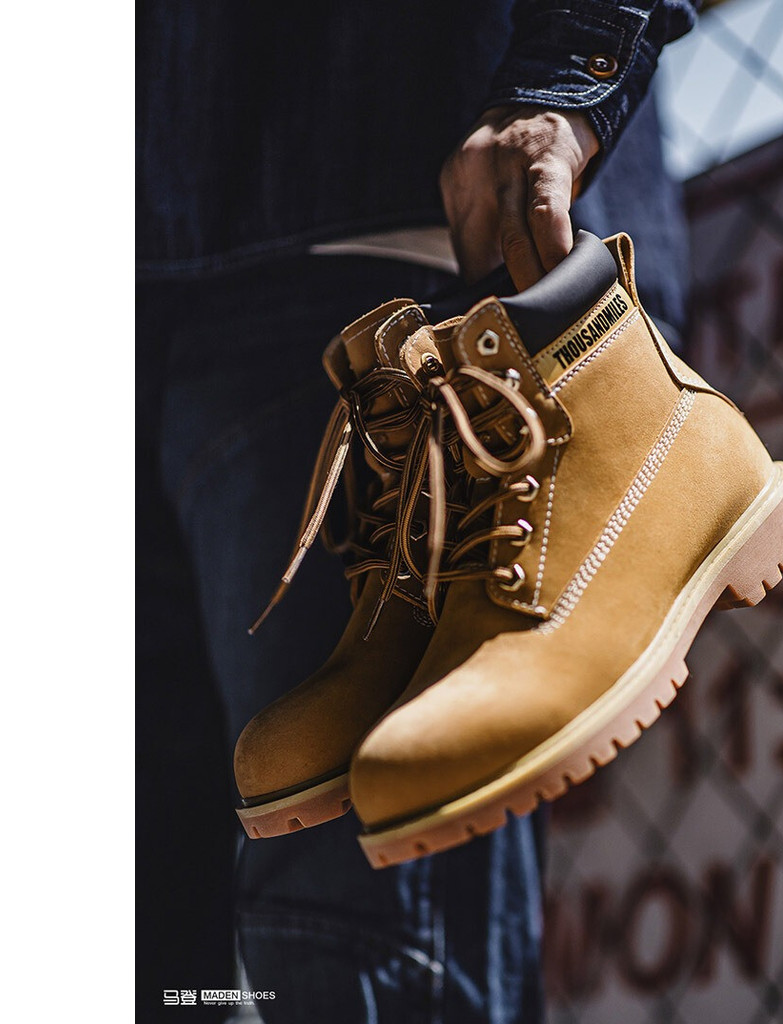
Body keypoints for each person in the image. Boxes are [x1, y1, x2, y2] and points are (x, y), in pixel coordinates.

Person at [137, 2, 699, 1021]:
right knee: (157, 965)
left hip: (394, 222)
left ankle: (669, 441)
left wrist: (567, 76)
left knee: (363, 942)